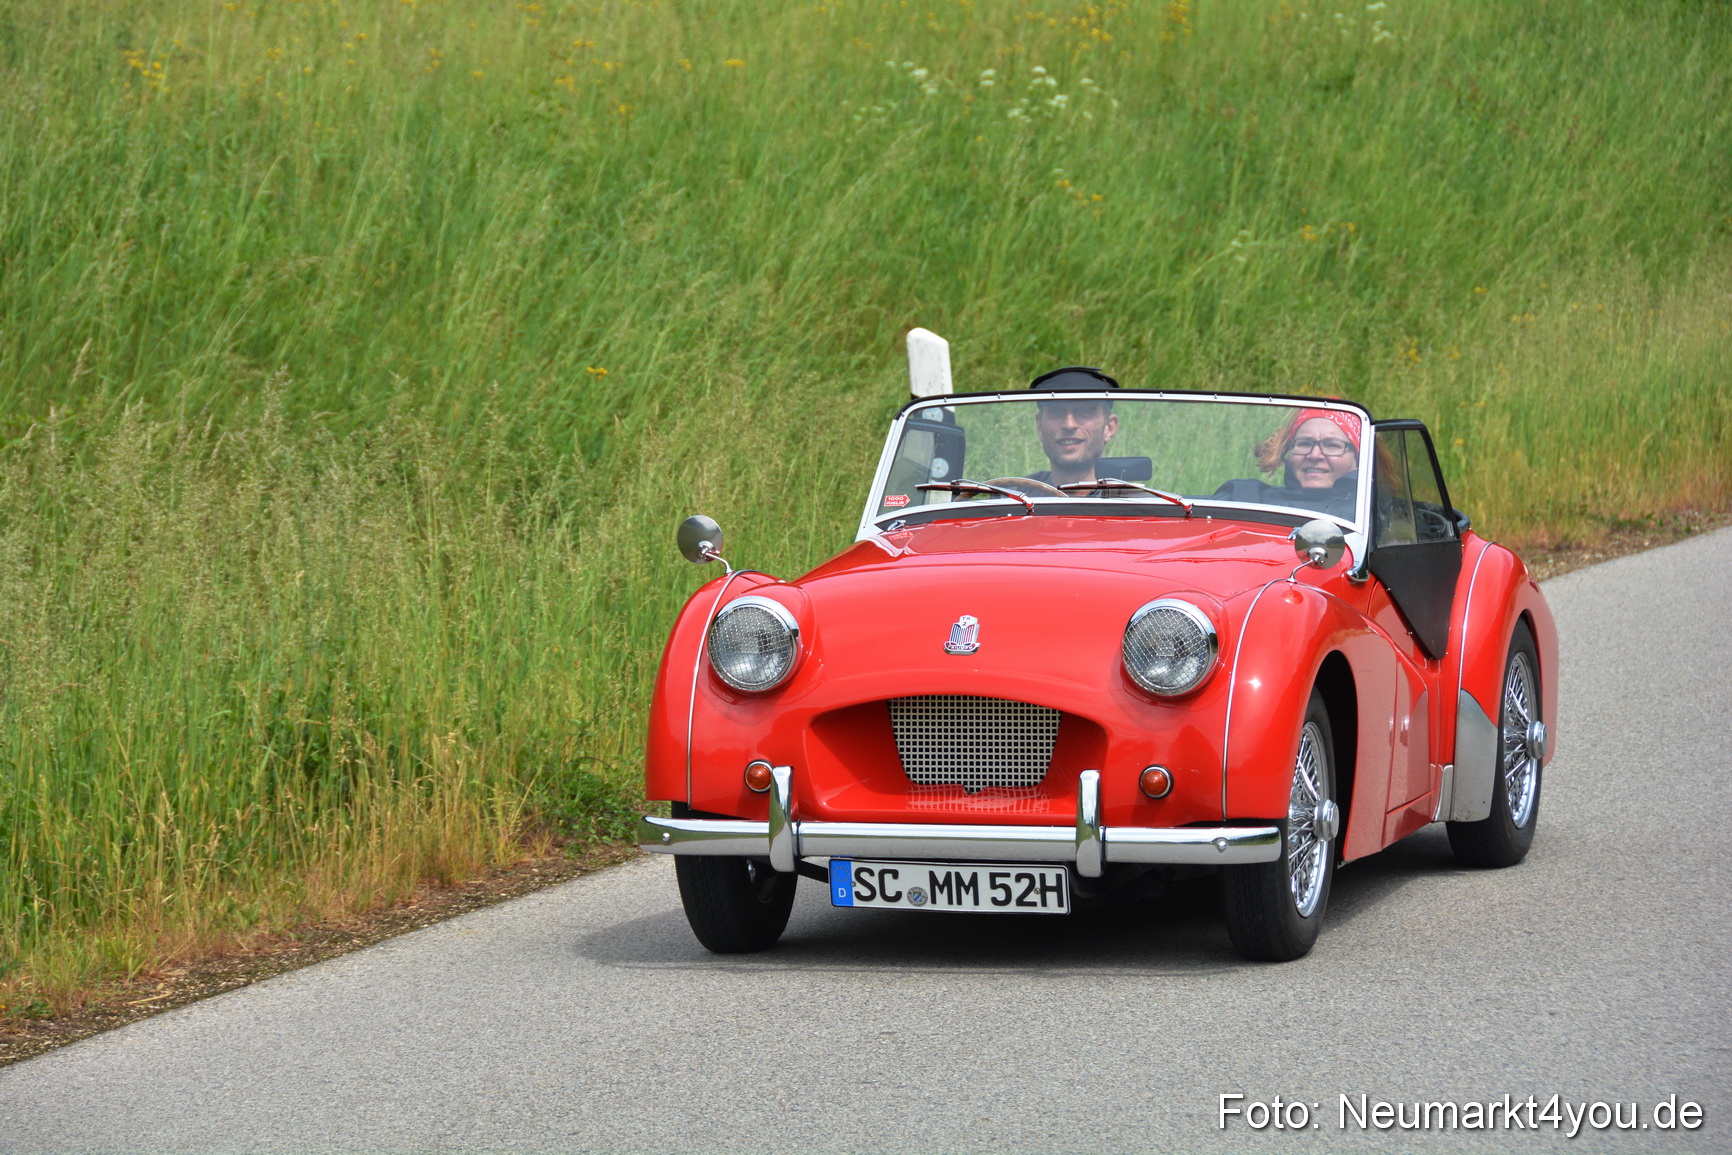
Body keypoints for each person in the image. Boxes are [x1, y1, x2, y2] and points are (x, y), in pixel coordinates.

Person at [1215, 406, 1361, 516]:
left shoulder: (1372, 514)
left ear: (1357, 459)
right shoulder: (1242, 500)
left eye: (1332, 445)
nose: (1315, 455)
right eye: (1304, 443)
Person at [1023, 367, 1121, 488]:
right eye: (1056, 412)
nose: (1069, 425)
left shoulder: (1137, 504)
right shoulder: (1014, 499)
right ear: (1039, 426)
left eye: (1084, 412)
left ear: (1109, 427)